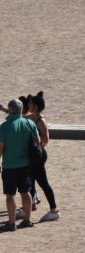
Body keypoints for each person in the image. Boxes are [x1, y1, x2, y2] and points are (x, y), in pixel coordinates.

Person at [0, 98, 39, 230]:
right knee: (26, 192)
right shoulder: (29, 124)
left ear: (9, 110)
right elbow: (37, 141)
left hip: (9, 166)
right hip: (26, 164)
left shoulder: (4, 127)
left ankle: (11, 222)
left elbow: (0, 148)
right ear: (22, 109)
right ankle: (27, 219)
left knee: (10, 195)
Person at [24, 93, 58, 222]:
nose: (28, 105)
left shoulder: (40, 120)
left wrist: (36, 144)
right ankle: (29, 207)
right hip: (36, 154)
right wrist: (4, 109)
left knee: (43, 183)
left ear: (36, 106)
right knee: (31, 180)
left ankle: (54, 210)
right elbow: (19, 116)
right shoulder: (34, 116)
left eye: (30, 103)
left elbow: (46, 138)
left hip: (38, 154)